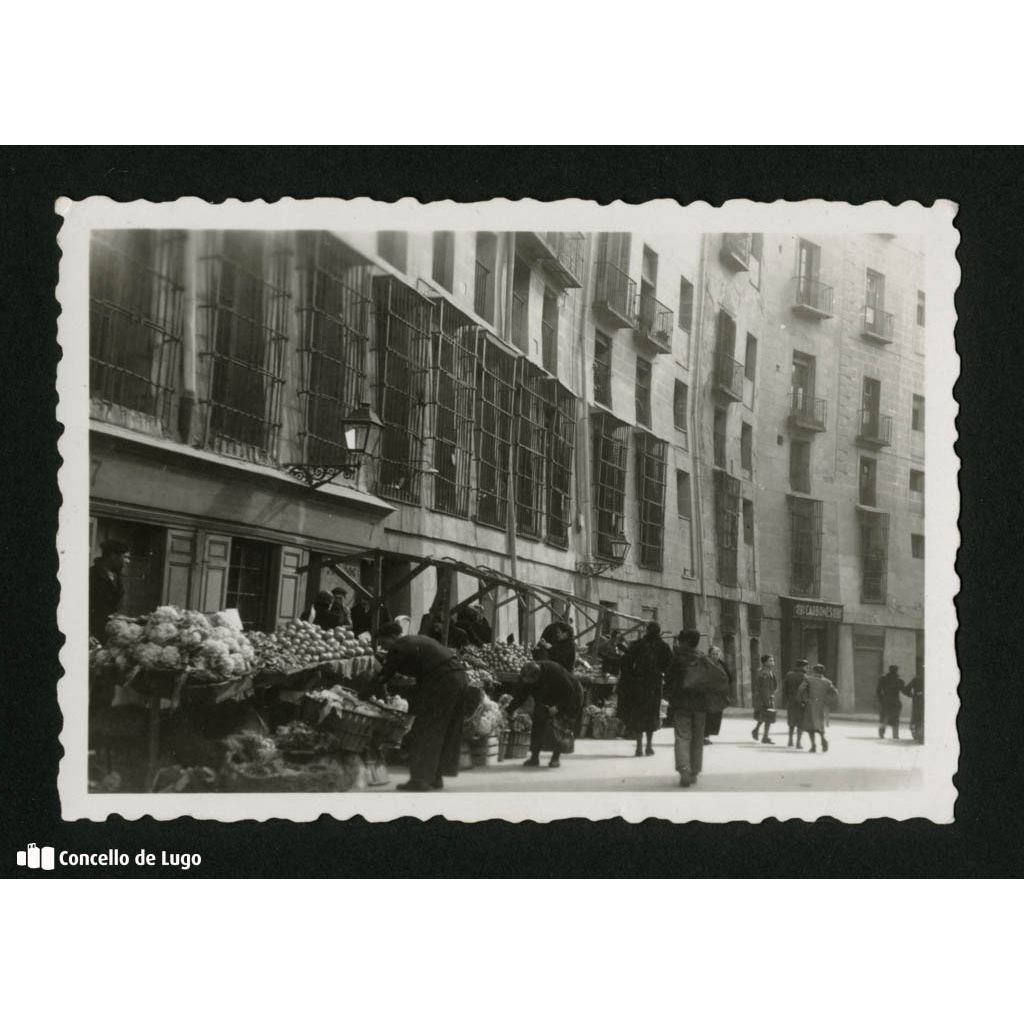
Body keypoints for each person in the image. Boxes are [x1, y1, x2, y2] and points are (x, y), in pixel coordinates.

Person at [372, 623, 468, 792]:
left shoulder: (399, 646)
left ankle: (420, 780)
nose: (383, 647)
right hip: (459, 679)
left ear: (393, 638)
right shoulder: (415, 640)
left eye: (383, 642)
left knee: (426, 729)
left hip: (443, 682)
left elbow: (385, 674)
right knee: (445, 729)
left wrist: (367, 691)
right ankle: (436, 777)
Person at [664, 629, 729, 787]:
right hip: (700, 705)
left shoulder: (677, 660)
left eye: (680, 640)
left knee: (682, 736)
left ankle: (684, 768)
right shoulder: (704, 659)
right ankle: (694, 772)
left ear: (684, 642)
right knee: (698, 738)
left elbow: (669, 682)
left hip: (681, 704)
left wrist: (669, 697)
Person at [506, 660, 583, 769]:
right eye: (526, 682)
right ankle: (534, 757)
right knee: (538, 722)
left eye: (530, 682)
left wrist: (557, 707)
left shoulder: (555, 672)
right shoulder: (525, 677)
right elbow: (521, 695)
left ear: (537, 677)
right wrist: (509, 710)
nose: (528, 684)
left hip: (570, 695)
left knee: (559, 726)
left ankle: (555, 758)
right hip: (547, 697)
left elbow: (569, 692)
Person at [618, 621, 673, 757]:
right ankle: (649, 746)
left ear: (647, 631)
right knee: (652, 714)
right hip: (654, 685)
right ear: (659, 632)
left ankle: (638, 747)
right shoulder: (664, 647)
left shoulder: (637, 645)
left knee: (638, 714)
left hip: (638, 684)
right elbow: (669, 667)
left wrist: (630, 677)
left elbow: (626, 662)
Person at [89, 539, 130, 640]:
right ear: (113, 556)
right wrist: (87, 634)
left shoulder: (117, 577)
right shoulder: (91, 575)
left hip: (111, 635)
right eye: (125, 557)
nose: (128, 561)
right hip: (93, 637)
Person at [797, 664, 838, 753]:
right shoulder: (827, 681)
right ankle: (823, 739)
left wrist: (802, 701)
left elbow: (800, 690)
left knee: (810, 726)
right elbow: (834, 692)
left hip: (810, 704)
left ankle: (813, 745)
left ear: (814, 671)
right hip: (822, 705)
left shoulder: (808, 679)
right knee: (820, 724)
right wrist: (827, 701)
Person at [704, 645, 733, 744]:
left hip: (719, 695)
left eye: (717, 654)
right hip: (708, 694)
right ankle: (705, 735)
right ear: (709, 654)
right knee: (708, 715)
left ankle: (708, 735)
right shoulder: (706, 664)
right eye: (713, 654)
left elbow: (729, 677)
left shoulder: (721, 664)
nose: (715, 656)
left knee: (715, 716)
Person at [781, 659, 809, 749]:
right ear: (802, 667)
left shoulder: (789, 675)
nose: (808, 668)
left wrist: (786, 700)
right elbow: (806, 691)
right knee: (800, 723)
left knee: (791, 722)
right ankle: (798, 743)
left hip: (791, 701)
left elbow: (784, 689)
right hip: (801, 702)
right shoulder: (805, 677)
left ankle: (790, 741)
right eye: (806, 666)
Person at [751, 654, 778, 744]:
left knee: (766, 717)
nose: (772, 662)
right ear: (765, 662)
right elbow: (764, 689)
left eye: (772, 660)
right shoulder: (764, 673)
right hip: (764, 698)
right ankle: (763, 736)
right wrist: (767, 701)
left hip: (768, 697)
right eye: (770, 660)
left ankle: (760, 733)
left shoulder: (769, 672)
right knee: (767, 716)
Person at [877, 665, 905, 740]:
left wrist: (881, 699)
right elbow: (904, 690)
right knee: (896, 718)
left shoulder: (883, 679)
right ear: (896, 671)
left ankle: (881, 733)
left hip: (885, 700)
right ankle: (895, 735)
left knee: (884, 718)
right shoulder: (899, 681)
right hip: (895, 701)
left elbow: (878, 690)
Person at [904, 670, 924, 743]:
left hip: (918, 702)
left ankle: (919, 736)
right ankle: (920, 736)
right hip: (926, 702)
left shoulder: (917, 679)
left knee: (917, 719)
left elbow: (905, 689)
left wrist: (913, 696)